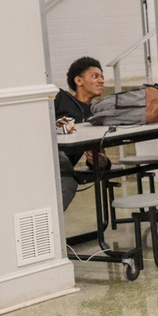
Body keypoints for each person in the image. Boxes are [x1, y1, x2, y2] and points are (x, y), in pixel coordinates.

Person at [55, 56, 109, 210]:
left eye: (102, 77)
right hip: (47, 157)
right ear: (78, 81)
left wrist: (99, 160)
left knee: (69, 182)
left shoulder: (96, 116)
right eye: (95, 76)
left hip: (63, 171)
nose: (101, 81)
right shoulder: (60, 98)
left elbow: (100, 164)